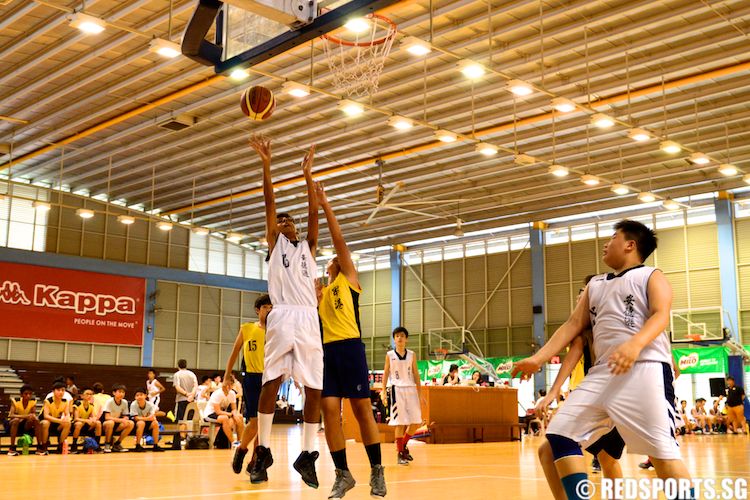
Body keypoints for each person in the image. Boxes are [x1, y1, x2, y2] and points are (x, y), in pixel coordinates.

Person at [513, 219, 693, 500]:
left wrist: (635, 345)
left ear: (630, 245)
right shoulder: (595, 285)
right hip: (601, 374)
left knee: (662, 454)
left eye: (613, 238)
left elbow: (661, 314)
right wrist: (538, 358)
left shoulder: (651, 275)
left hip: (645, 371)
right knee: (557, 438)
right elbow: (573, 325)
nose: (606, 244)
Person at [247, 134, 323, 489]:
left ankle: (306, 454)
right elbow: (268, 201)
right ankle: (262, 450)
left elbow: (313, 213)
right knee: (271, 382)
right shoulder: (274, 244)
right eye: (281, 221)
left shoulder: (308, 246)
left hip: (309, 316)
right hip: (283, 315)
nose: (285, 223)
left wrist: (309, 178)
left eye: (289, 221)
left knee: (315, 389)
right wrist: (266, 163)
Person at [315, 182, 387, 498]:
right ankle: (342, 474)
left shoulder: (349, 281)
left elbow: (338, 239)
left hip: (350, 347)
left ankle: (377, 472)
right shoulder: (321, 293)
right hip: (327, 352)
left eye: (337, 258)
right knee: (329, 409)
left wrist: (323, 203)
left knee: (361, 411)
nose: (335, 258)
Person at [225, 294, 271, 478]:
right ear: (258, 310)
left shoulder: (276, 331)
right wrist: (227, 375)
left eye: (272, 307)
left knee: (264, 425)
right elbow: (235, 352)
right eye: (266, 307)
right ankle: (241, 450)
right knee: (255, 422)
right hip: (252, 379)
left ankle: (256, 463)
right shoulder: (247, 328)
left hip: (270, 380)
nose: (269, 310)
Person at [383, 326, 423, 466]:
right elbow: (386, 373)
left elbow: (416, 374)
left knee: (416, 421)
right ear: (394, 339)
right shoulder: (390, 355)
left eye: (402, 336)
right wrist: (383, 391)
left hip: (411, 389)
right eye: (397, 336)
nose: (399, 338)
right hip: (396, 389)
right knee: (399, 423)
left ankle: (402, 445)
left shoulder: (412, 354)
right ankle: (400, 454)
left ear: (406, 339)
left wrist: (420, 393)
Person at [205, 380, 244, 446]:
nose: (229, 386)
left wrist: (235, 415)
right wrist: (231, 414)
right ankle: (233, 442)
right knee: (225, 418)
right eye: (227, 384)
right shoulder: (218, 393)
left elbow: (234, 409)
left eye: (231, 384)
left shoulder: (232, 393)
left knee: (239, 417)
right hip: (210, 413)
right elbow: (218, 411)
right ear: (224, 384)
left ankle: (239, 441)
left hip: (223, 413)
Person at [7, 384, 42, 456]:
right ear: (21, 395)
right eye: (26, 394)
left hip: (25, 424)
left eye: (30, 394)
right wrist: (25, 416)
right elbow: (11, 415)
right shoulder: (15, 401)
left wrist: (33, 417)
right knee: (16, 420)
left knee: (36, 420)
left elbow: (33, 414)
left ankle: (40, 446)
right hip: (12, 424)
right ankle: (12, 448)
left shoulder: (33, 401)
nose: (28, 396)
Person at [172, 359, 199, 449]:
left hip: (181, 400)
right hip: (192, 400)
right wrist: (191, 395)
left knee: (181, 420)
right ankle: (187, 438)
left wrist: (186, 394)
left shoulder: (177, 374)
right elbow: (196, 387)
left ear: (178, 365)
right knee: (188, 420)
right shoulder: (192, 374)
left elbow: (177, 387)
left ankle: (181, 439)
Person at [40, 381, 71, 454]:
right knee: (46, 423)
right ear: (53, 391)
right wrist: (60, 421)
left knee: (68, 423)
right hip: (44, 422)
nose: (61, 392)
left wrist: (67, 418)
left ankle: (60, 446)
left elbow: (67, 414)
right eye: (58, 390)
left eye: (63, 390)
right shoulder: (48, 401)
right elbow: (46, 416)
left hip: (56, 423)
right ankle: (44, 446)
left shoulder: (65, 401)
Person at [102, 384, 134, 453]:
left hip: (117, 423)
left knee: (130, 423)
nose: (121, 394)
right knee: (110, 423)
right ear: (114, 393)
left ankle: (117, 444)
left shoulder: (124, 402)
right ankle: (107, 445)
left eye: (123, 392)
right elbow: (107, 417)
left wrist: (125, 419)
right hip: (106, 424)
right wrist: (121, 420)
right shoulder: (109, 401)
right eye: (119, 392)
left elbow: (126, 415)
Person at [130, 388, 164, 452]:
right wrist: (146, 418)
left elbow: (152, 417)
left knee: (155, 423)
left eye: (141, 395)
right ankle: (138, 445)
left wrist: (146, 418)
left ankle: (155, 445)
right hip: (136, 425)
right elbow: (136, 418)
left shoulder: (150, 405)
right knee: (141, 423)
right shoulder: (133, 404)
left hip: (147, 423)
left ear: (145, 396)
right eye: (137, 395)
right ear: (135, 397)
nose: (139, 397)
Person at [71, 387, 102, 453]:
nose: (89, 396)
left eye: (91, 394)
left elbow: (93, 416)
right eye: (87, 394)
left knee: (98, 423)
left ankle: (96, 445)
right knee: (79, 423)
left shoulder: (91, 405)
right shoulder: (77, 404)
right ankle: (74, 445)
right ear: (82, 396)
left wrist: (93, 419)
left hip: (86, 425)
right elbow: (76, 418)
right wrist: (87, 421)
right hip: (75, 425)